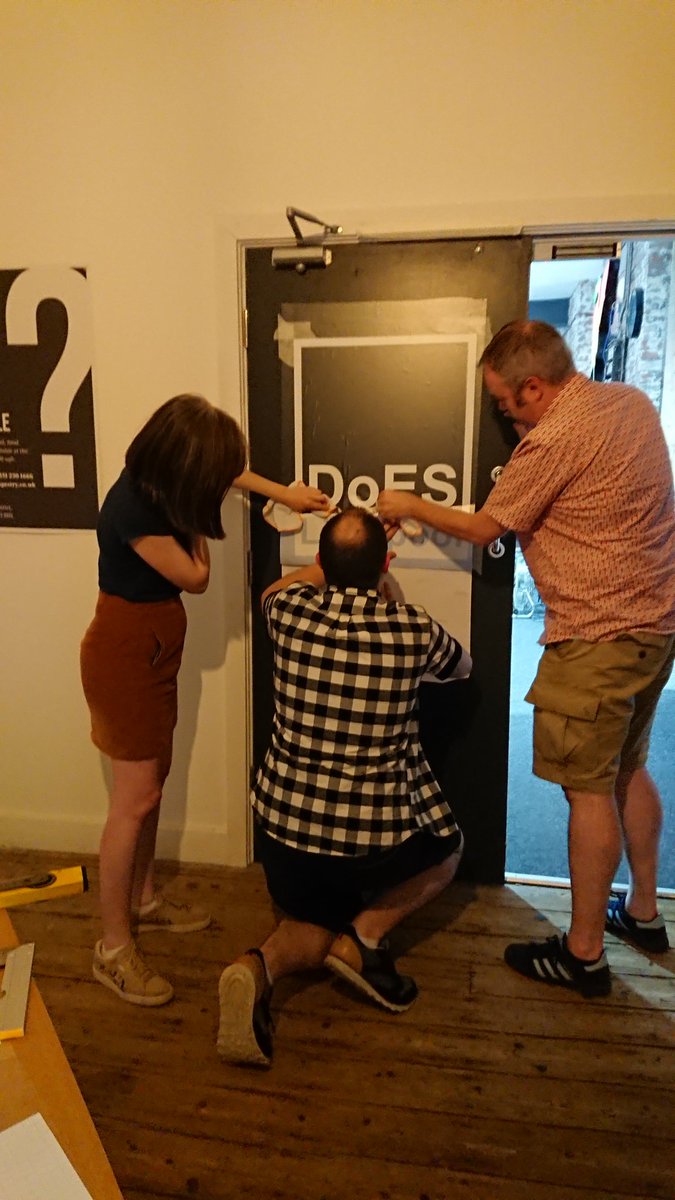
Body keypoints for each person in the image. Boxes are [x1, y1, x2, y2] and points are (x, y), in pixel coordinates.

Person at [378, 320, 675, 998]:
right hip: (656, 626)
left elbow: (485, 526)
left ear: (534, 387)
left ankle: (583, 955)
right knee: (627, 767)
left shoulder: (552, 441)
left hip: (596, 637)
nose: (503, 417)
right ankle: (643, 911)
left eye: (504, 403)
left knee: (587, 790)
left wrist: (408, 503)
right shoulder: (629, 403)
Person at [80, 393, 328, 1006]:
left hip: (152, 646)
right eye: (208, 476)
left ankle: (144, 900)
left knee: (152, 786)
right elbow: (196, 577)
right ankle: (112, 948)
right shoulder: (135, 509)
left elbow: (227, 471)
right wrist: (198, 513)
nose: (219, 483)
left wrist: (285, 493)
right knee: (133, 803)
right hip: (126, 652)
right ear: (183, 467)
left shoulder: (158, 475)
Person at [216, 507, 471, 1066]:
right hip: (368, 850)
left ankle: (257, 967)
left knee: (310, 926)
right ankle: (365, 937)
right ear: (385, 564)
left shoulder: (288, 612)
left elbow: (275, 590)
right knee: (450, 849)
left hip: (281, 837)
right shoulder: (412, 628)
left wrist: (328, 568)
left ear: (320, 563)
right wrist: (387, 591)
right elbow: (462, 667)